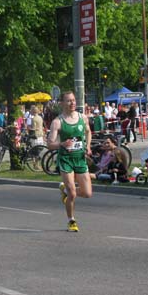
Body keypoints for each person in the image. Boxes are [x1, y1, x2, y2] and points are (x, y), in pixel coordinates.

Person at [47, 91, 93, 232]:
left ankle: (65, 191)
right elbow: (49, 144)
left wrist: (88, 146)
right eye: (68, 101)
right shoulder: (57, 122)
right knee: (72, 193)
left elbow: (88, 131)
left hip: (80, 158)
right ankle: (71, 221)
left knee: (87, 193)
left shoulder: (82, 117)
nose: (72, 103)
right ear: (62, 103)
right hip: (66, 160)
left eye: (73, 100)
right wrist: (61, 144)